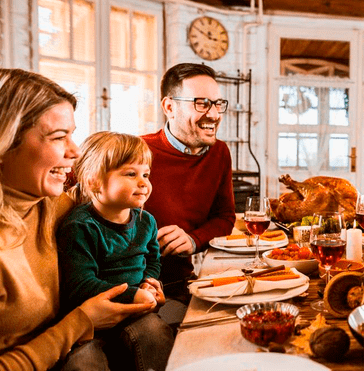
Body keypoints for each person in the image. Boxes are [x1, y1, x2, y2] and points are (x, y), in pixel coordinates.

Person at [0, 68, 153, 370]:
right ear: (5, 143)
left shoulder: (50, 202)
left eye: (73, 134)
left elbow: (108, 194)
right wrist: (80, 322)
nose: (75, 150)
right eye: (59, 137)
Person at [57, 132, 174, 371]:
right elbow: (81, 285)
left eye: (146, 174)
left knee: (156, 332)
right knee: (83, 363)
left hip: (136, 314)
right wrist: (132, 294)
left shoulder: (146, 221)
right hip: (91, 322)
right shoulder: (80, 226)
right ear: (94, 182)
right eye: (131, 174)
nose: (143, 182)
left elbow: (152, 261)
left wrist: (150, 283)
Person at [141, 63, 235, 309]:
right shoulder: (136, 151)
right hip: (136, 287)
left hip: (180, 283)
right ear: (169, 107)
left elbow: (224, 217)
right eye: (201, 103)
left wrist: (193, 240)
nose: (214, 115)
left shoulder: (220, 153)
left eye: (217, 104)